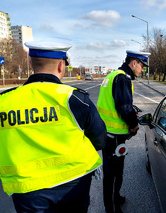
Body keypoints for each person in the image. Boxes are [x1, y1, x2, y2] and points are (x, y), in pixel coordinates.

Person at [0, 38, 107, 213]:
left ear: (30, 63)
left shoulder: (4, 102)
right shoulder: (75, 99)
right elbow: (100, 140)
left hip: (26, 189)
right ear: (61, 66)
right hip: (74, 184)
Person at [97, 50, 150, 213]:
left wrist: (131, 112)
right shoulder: (122, 78)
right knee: (113, 175)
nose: (143, 70)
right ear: (134, 63)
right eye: (142, 66)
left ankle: (115, 197)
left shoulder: (115, 75)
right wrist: (134, 125)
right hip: (113, 136)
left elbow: (116, 103)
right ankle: (111, 208)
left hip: (108, 133)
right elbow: (124, 107)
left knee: (114, 172)